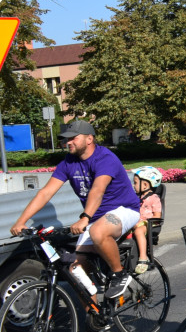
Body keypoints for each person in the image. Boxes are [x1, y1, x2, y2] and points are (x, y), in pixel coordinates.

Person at [11, 120, 142, 300]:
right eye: (66, 139)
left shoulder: (105, 158)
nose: (68, 142)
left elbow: (97, 190)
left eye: (73, 138)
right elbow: (46, 193)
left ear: (89, 139)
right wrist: (21, 221)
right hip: (95, 217)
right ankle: (95, 316)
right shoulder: (68, 163)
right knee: (75, 271)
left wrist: (85, 218)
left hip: (124, 209)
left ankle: (119, 274)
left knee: (98, 231)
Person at [130, 166, 163, 274]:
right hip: (135, 222)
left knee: (139, 231)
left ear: (145, 185)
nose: (133, 185)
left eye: (135, 183)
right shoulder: (136, 197)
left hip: (148, 223)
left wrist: (145, 222)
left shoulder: (154, 198)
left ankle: (143, 258)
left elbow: (157, 216)